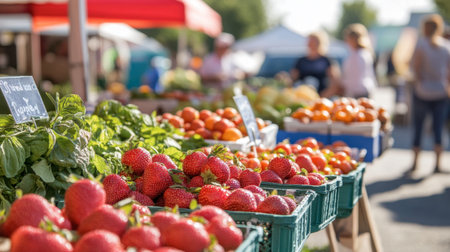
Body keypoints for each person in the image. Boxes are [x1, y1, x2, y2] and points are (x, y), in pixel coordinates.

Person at [409, 14, 450, 174]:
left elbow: (415, 69)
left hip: (422, 91)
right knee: (438, 128)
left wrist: (418, 81)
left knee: (418, 127)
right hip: (440, 91)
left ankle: (415, 162)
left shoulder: (421, 44)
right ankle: (438, 163)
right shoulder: (446, 46)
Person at [291, 31, 339, 95]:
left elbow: (335, 81)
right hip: (304, 97)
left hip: (321, 96)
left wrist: (325, 95)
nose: (311, 44)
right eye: (310, 41)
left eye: (314, 41)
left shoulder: (326, 60)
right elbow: (292, 79)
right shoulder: (301, 60)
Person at [339, 23, 377, 98]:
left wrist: (342, 85)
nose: (346, 41)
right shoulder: (361, 53)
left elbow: (354, 77)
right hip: (360, 91)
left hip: (359, 92)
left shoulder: (359, 55)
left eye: (348, 38)